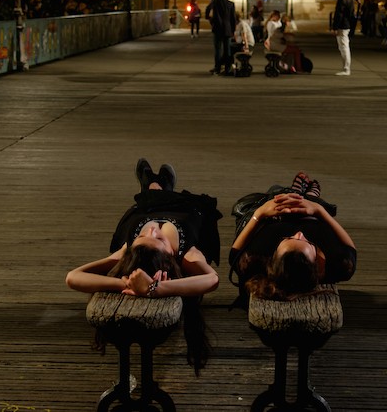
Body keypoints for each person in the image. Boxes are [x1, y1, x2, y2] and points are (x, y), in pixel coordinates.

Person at [66, 158, 222, 374]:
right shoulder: (187, 255)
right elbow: (213, 279)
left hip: (145, 209)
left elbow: (73, 276)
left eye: (142, 236)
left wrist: (123, 282)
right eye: (158, 239)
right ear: (169, 257)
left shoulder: (129, 250)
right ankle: (159, 187)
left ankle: (153, 187)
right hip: (184, 206)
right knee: (165, 195)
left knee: (147, 199)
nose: (152, 231)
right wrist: (154, 289)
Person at [228, 171, 356, 306]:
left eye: (287, 239)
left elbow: (234, 253)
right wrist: (319, 210)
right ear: (315, 263)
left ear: (273, 258)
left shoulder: (255, 260)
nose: (299, 233)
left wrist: (260, 213)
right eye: (308, 243)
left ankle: (294, 191)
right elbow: (350, 247)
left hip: (277, 216)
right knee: (311, 201)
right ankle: (311, 196)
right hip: (313, 218)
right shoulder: (340, 265)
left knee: (278, 192)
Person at [205, 0, 236, 75]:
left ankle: (217, 67)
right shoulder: (231, 4)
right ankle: (227, 68)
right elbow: (233, 19)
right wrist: (233, 31)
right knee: (227, 50)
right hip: (227, 29)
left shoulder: (215, 2)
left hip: (217, 28)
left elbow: (207, 10)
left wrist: (210, 19)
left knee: (218, 49)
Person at [330, 0, 359, 76]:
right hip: (347, 25)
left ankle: (346, 69)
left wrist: (334, 27)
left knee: (343, 47)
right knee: (344, 46)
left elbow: (339, 14)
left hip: (342, 25)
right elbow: (351, 13)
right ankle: (346, 68)